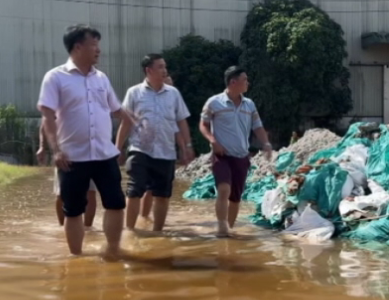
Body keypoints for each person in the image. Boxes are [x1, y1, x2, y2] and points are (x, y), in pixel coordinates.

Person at [37, 24, 134, 257]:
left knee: (116, 203)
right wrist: (55, 150)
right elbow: (47, 116)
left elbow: (116, 109)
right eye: (94, 45)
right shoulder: (55, 77)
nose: (98, 50)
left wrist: (128, 119)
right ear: (77, 47)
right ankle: (76, 259)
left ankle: (112, 250)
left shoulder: (101, 78)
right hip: (72, 156)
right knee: (73, 210)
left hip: (103, 154)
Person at [116, 55, 194, 233]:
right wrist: (117, 147)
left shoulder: (173, 94)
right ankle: (130, 232)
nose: (164, 70)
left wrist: (186, 147)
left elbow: (181, 121)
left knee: (162, 194)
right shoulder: (134, 92)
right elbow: (126, 122)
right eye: (160, 67)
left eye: (165, 66)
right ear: (148, 70)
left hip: (166, 152)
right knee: (134, 190)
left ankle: (158, 232)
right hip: (140, 149)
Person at [199, 66, 272, 238]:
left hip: (241, 156)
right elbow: (203, 124)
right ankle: (222, 227)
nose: (248, 82)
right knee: (223, 189)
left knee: (235, 198)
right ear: (233, 82)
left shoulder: (250, 104)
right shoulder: (214, 102)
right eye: (245, 79)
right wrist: (213, 141)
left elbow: (258, 126)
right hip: (221, 155)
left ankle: (229, 231)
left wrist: (266, 143)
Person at [37, 120, 98, 228]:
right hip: (65, 153)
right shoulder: (59, 104)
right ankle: (62, 227)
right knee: (61, 194)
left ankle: (88, 229)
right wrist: (42, 147)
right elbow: (45, 123)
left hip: (89, 153)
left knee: (90, 192)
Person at [139, 73, 183, 222]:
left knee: (163, 191)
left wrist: (183, 147)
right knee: (148, 189)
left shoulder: (172, 101)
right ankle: (143, 217)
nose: (168, 88)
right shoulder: (145, 98)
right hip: (148, 151)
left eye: (171, 85)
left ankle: (156, 220)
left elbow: (177, 128)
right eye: (166, 84)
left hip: (167, 152)